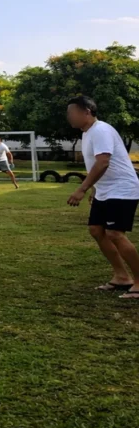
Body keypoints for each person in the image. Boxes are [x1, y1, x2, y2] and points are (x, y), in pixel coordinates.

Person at [66, 96, 139, 298]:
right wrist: (96, 189)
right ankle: (121, 277)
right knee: (96, 230)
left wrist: (82, 189)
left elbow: (103, 162)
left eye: (72, 112)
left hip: (122, 189)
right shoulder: (87, 133)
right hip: (106, 190)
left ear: (86, 112)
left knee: (115, 233)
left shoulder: (101, 130)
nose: (69, 117)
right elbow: (97, 165)